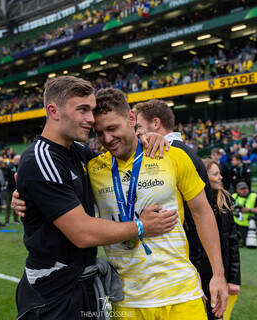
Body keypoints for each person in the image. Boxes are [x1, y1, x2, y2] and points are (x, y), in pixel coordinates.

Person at [14, 76, 177, 320]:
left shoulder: (77, 153)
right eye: (82, 110)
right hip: (53, 294)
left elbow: (120, 156)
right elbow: (83, 234)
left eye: (91, 110)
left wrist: (146, 135)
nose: (91, 119)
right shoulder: (41, 159)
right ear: (53, 111)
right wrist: (141, 226)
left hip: (82, 284)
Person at [87, 89, 227, 320]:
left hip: (180, 294)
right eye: (99, 132)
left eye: (112, 128)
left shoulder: (171, 155)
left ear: (131, 118)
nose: (107, 139)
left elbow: (203, 213)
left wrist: (218, 274)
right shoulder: (92, 169)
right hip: (127, 301)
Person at [130, 99, 229, 319]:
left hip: (189, 263)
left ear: (155, 123)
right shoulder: (184, 151)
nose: (136, 133)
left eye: (139, 126)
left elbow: (200, 216)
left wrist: (200, 267)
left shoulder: (174, 154)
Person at [202, 158, 241, 320]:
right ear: (204, 177)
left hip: (217, 274)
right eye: (215, 174)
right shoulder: (191, 206)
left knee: (216, 315)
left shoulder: (224, 202)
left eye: (219, 173)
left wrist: (234, 279)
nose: (221, 177)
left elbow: (232, 242)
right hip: (196, 274)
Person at [4, 154, 20, 225]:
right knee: (8, 205)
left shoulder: (21, 166)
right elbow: (6, 176)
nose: (17, 161)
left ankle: (16, 220)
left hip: (18, 189)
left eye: (18, 160)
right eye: (16, 159)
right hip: (9, 189)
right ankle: (7, 221)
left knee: (16, 205)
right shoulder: (9, 167)